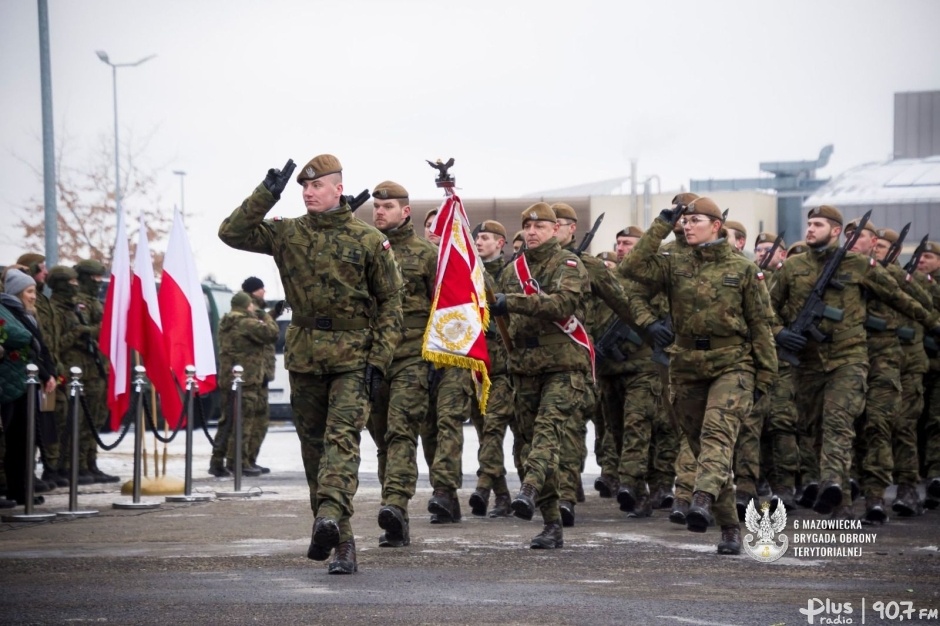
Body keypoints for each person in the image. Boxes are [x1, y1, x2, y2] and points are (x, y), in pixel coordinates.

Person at [219, 154, 403, 575]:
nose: (308, 192)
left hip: (354, 357)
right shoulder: (288, 232)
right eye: (303, 186)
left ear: (339, 189)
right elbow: (231, 232)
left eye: (316, 186)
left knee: (342, 442)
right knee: (314, 453)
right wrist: (266, 193)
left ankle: (329, 519)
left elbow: (392, 302)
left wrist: (380, 357)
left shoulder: (369, 240)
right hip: (305, 357)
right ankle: (342, 542)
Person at [621, 196, 777, 555]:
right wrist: (661, 222)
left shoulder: (743, 269)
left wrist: (765, 377)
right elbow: (630, 269)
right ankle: (730, 527)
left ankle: (701, 497)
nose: (687, 226)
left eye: (695, 221)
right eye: (684, 221)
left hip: (733, 363)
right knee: (700, 445)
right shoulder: (673, 262)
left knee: (716, 437)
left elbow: (761, 326)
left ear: (716, 226)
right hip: (687, 363)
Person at [771, 206, 940, 519]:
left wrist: (933, 322)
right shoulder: (792, 267)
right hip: (807, 363)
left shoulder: (859, 265)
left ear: (835, 232)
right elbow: (766, 309)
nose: (809, 229)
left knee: (839, 422)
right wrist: (780, 332)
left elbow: (899, 297)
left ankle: (834, 481)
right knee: (818, 430)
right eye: (808, 224)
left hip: (848, 358)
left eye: (818, 225)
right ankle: (842, 503)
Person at [490, 202, 592, 549]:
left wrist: (513, 301)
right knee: (527, 446)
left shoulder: (568, 264)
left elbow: (561, 305)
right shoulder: (511, 270)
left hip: (563, 365)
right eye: (527, 227)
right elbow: (501, 323)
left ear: (554, 230)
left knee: (548, 433)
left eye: (540, 227)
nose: (532, 233)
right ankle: (551, 523)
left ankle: (530, 488)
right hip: (525, 367)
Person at [365, 180, 436, 547]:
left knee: (401, 432)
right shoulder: (366, 248)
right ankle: (397, 519)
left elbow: (450, 300)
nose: (380, 212)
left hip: (411, 357)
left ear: (405, 211)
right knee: (381, 441)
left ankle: (393, 502)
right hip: (374, 358)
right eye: (377, 206)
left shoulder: (426, 253)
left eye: (388, 206)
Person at [468, 219, 517, 518]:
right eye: (477, 238)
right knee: (486, 432)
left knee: (499, 430)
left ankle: (484, 486)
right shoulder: (470, 277)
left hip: (507, 367)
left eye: (486, 238)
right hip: (478, 367)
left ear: (500, 242)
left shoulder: (512, 274)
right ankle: (502, 496)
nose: (479, 242)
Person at [0, 269, 58, 505]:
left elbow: (40, 347)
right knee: (11, 441)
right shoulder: (8, 310)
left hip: (24, 383)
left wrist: (50, 372)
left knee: (22, 441)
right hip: (10, 383)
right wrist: (45, 372)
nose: (34, 296)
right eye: (30, 291)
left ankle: (21, 491)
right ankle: (15, 489)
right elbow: (20, 338)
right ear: (16, 292)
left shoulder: (26, 313)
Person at [209, 292, 279, 477]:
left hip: (229, 379)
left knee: (227, 421)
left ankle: (217, 461)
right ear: (246, 306)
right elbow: (272, 333)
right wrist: (264, 315)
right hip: (246, 380)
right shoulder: (245, 323)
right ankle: (238, 462)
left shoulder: (227, 321)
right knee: (244, 422)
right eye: (250, 305)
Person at [73, 259, 119, 483]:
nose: (99, 282)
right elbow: (78, 332)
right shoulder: (80, 302)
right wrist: (103, 328)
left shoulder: (94, 301)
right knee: (85, 420)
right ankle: (79, 465)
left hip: (99, 367)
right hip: (87, 369)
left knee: (96, 418)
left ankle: (90, 463)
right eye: (95, 278)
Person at [240, 276, 278, 472]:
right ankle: (241, 462)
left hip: (260, 374)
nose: (264, 291)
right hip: (251, 375)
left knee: (260, 421)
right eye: (261, 289)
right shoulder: (247, 310)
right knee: (247, 422)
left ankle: (250, 459)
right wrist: (270, 317)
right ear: (254, 291)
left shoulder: (258, 310)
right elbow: (267, 332)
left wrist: (273, 313)